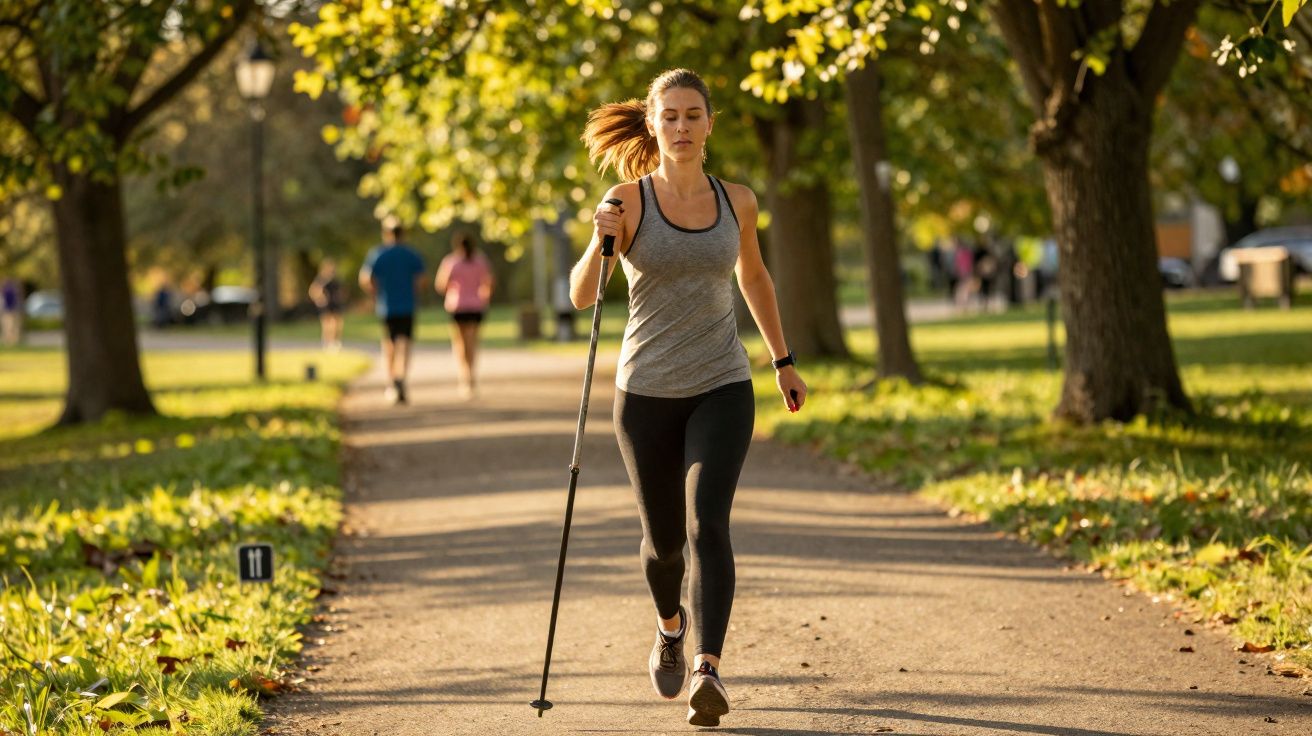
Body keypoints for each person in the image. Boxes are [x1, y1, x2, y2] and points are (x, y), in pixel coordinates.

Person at [571, 68, 808, 728]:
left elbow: (753, 275)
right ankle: (670, 627)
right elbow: (581, 295)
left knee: (710, 526)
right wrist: (599, 239)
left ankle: (708, 666)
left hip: (723, 384)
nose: (680, 126)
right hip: (644, 392)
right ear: (652, 124)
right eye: (668, 116)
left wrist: (782, 361)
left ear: (710, 123)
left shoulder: (739, 201)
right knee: (664, 545)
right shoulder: (629, 200)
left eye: (692, 114)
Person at [359, 217, 426, 404]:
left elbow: (365, 278)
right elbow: (421, 280)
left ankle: (391, 382)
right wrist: (413, 292)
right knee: (405, 343)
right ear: (403, 234)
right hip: (407, 305)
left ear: (387, 234)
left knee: (389, 344)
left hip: (386, 306)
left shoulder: (378, 254)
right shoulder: (411, 254)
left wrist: (375, 293)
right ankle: (401, 377)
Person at [435, 231, 494, 399]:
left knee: (460, 344)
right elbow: (488, 282)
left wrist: (453, 289)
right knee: (472, 343)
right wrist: (484, 296)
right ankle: (471, 376)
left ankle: (464, 378)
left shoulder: (451, 262)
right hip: (476, 306)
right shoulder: (480, 261)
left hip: (458, 306)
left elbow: (441, 285)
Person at [309, 259, 346, 352]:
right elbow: (313, 291)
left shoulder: (335, 280)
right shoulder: (321, 280)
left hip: (335, 304)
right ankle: (327, 343)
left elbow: (341, 291)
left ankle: (335, 342)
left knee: (337, 324)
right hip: (326, 306)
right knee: (327, 325)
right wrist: (320, 299)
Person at [1, 277, 21, 346]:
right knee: (12, 326)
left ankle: (9, 341)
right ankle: (12, 341)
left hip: (7, 311)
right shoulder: (13, 290)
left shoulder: (5, 291)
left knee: (8, 327)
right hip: (12, 310)